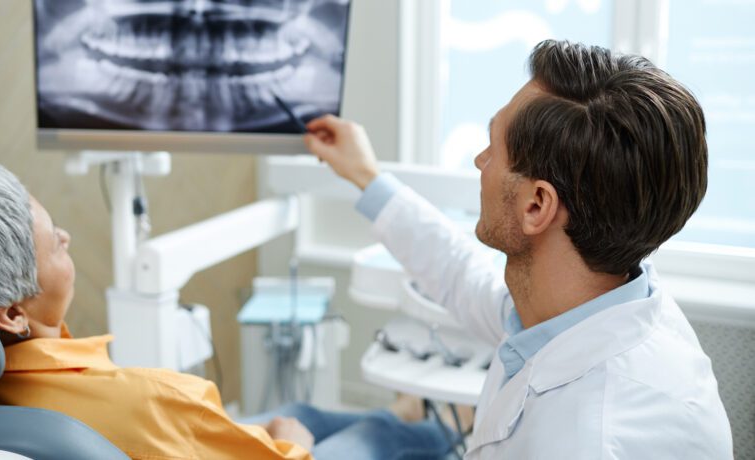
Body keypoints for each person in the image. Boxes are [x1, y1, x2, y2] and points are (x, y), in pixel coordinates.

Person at [0, 156, 455, 460]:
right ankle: (444, 434)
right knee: (371, 430)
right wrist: (290, 442)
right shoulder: (150, 398)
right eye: (50, 234)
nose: (66, 239)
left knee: (294, 406)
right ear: (10, 313)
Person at [302, 39, 734, 458]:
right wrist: (367, 178)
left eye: (494, 146)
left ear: (537, 205)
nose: (479, 161)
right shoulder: (591, 301)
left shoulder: (595, 438)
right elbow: (462, 275)